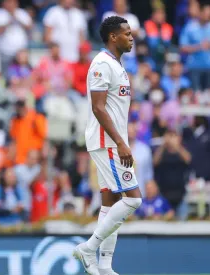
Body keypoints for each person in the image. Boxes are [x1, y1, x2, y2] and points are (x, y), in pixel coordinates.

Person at [73, 16, 142, 275]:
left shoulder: (117, 64)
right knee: (134, 200)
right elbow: (98, 107)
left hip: (111, 141)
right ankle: (89, 248)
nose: (131, 37)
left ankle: (104, 266)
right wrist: (121, 142)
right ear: (113, 36)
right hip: (107, 142)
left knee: (110, 203)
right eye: (126, 33)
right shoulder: (102, 64)